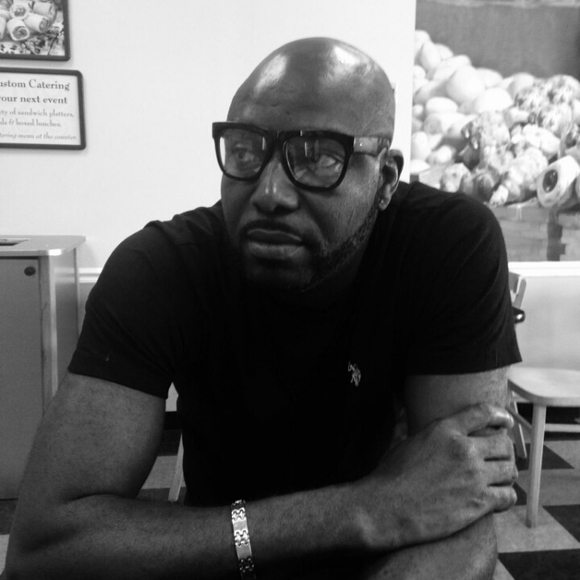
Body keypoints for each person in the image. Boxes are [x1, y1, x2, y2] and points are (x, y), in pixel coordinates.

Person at [5, 37, 520, 580]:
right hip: (223, 560)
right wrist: (363, 508)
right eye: (246, 151)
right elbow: (42, 551)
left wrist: (379, 513)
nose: (270, 191)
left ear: (386, 179)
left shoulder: (446, 246)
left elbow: (463, 508)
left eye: (319, 157)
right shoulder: (162, 269)